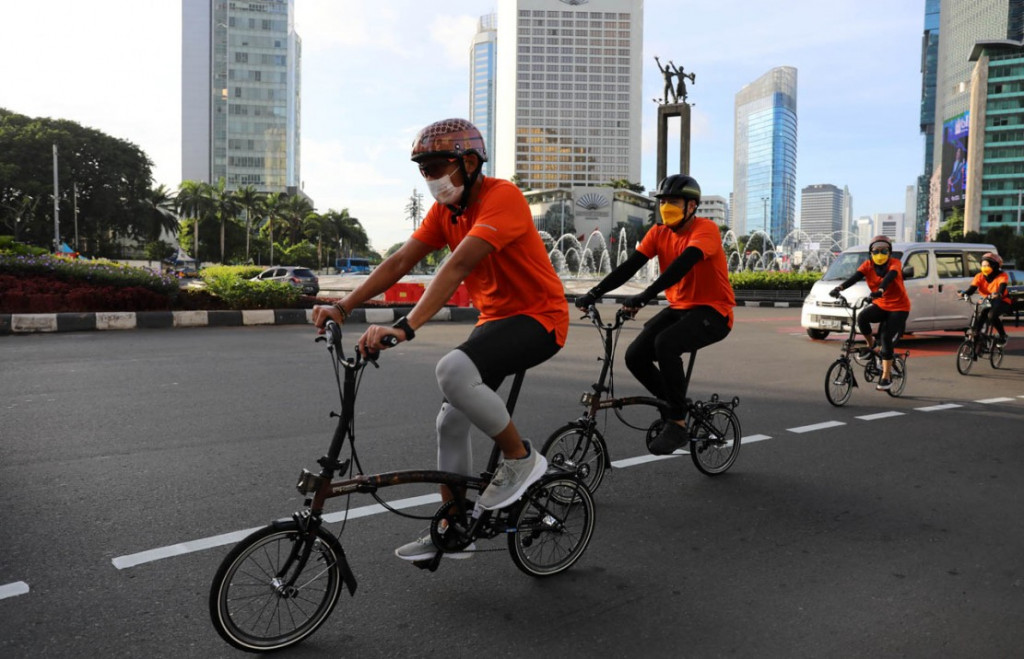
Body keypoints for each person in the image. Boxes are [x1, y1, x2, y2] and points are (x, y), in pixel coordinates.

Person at [311, 118, 568, 562]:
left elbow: (457, 267)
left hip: (539, 318)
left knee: (451, 369)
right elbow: (401, 261)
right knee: (448, 423)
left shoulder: (501, 198)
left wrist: (406, 326)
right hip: (496, 322)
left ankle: (520, 457)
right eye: (423, 170)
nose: (430, 178)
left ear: (469, 163)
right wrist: (343, 306)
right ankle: (454, 525)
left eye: (436, 167)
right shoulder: (445, 212)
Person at [575, 175, 735, 456]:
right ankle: (676, 404)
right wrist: (594, 292)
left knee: (666, 344)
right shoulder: (658, 233)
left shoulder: (705, 229)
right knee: (635, 356)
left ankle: (676, 421)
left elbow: (682, 265)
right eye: (663, 202)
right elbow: (630, 266)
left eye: (674, 202)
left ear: (692, 206)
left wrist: (644, 297)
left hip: (714, 311)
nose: (666, 207)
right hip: (680, 309)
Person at [829, 235, 911, 390]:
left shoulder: (895, 263)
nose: (880, 254)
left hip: (899, 308)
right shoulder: (867, 265)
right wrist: (839, 288)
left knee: (886, 338)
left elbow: (889, 278)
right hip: (881, 304)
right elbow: (855, 277)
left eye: (884, 250)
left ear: (889, 252)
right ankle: (871, 345)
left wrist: (880, 289)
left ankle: (886, 377)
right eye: (876, 250)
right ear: (871, 252)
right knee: (862, 318)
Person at [959, 252, 1010, 346]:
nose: (984, 267)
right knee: (979, 314)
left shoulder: (1002, 275)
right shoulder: (979, 276)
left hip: (1002, 301)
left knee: (991, 315)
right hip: (988, 300)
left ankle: (1003, 336)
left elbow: (1002, 288)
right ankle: (976, 338)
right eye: (982, 265)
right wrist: (964, 294)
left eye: (987, 265)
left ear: (994, 266)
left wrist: (998, 293)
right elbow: (972, 289)